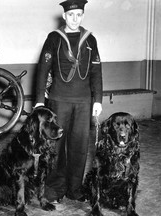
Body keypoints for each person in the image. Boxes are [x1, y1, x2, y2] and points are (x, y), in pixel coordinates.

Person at [35, 0, 103, 202]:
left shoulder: (90, 39)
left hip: (83, 102)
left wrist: (97, 100)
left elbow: (96, 71)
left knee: (80, 146)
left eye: (79, 14)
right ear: (64, 16)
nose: (75, 19)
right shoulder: (54, 38)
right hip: (59, 100)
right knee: (56, 146)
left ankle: (75, 189)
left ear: (82, 15)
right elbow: (43, 70)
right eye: (71, 15)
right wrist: (39, 101)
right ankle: (55, 189)